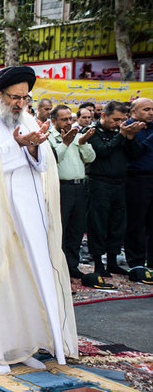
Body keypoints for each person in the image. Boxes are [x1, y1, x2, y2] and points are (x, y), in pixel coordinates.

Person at [0, 66, 78, 373]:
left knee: (28, 281)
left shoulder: (26, 120)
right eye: (15, 97)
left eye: (25, 97)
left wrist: (35, 147)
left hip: (29, 218)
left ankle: (23, 347)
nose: (21, 103)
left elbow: (42, 165)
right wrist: (18, 145)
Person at [86, 101, 145, 277]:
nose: (118, 123)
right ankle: (98, 262)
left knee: (117, 224)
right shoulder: (92, 132)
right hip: (99, 184)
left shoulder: (122, 132)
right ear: (103, 115)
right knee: (98, 224)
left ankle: (112, 261)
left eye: (122, 120)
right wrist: (122, 135)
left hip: (119, 184)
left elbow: (135, 153)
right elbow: (102, 151)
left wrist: (131, 137)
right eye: (115, 119)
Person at [47, 105, 96, 278]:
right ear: (53, 121)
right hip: (62, 187)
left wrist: (82, 143)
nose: (68, 122)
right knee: (61, 228)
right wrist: (65, 143)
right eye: (64, 119)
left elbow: (90, 158)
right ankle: (58, 266)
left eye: (70, 119)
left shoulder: (77, 134)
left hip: (80, 186)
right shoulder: (49, 137)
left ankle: (72, 265)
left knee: (76, 229)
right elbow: (52, 160)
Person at [123, 97, 153, 282]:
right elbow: (135, 152)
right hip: (137, 179)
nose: (151, 112)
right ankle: (136, 263)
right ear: (134, 113)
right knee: (137, 221)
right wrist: (131, 136)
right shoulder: (128, 128)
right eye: (146, 109)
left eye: (152, 109)